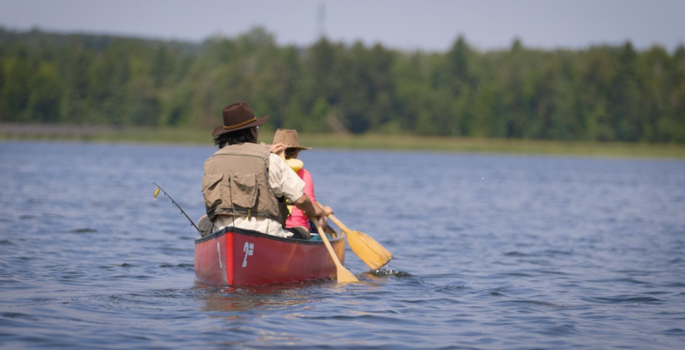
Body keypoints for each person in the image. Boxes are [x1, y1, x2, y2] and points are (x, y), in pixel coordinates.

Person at [198, 101, 331, 239]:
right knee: (304, 231)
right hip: (267, 234)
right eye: (257, 128)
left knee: (203, 221)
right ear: (252, 131)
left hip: (223, 231)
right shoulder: (270, 159)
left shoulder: (211, 162)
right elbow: (301, 201)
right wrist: (313, 210)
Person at [272, 128, 332, 232]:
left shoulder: (268, 169)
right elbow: (309, 209)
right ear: (296, 152)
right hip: (300, 227)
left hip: (274, 226)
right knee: (324, 219)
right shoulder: (304, 174)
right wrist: (324, 211)